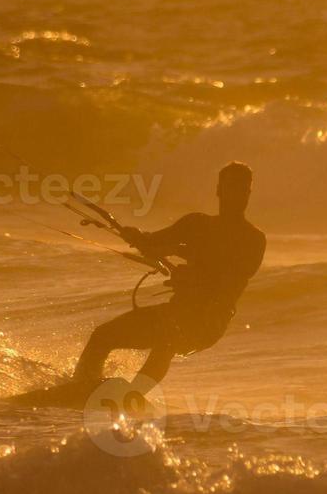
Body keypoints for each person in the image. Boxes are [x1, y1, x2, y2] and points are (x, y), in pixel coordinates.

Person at [72, 162, 265, 387]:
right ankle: (81, 387)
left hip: (208, 321)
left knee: (167, 340)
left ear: (248, 194)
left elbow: (230, 283)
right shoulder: (196, 223)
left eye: (242, 189)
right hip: (176, 311)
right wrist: (136, 236)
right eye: (231, 187)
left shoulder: (253, 239)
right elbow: (152, 242)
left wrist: (186, 265)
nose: (237, 195)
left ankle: (131, 398)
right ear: (219, 190)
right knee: (101, 336)